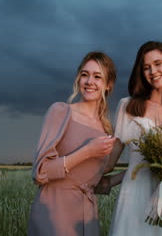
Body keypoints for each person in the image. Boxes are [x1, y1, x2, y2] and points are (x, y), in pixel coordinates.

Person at [105, 41, 162, 235]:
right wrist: (74, 173)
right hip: (133, 199)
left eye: (158, 63)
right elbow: (109, 162)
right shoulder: (127, 107)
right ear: (141, 73)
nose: (153, 71)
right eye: (146, 67)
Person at [28, 52, 119, 236]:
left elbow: (90, 184)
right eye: (85, 74)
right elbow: (40, 172)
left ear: (108, 84)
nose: (89, 81)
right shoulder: (61, 112)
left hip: (87, 217)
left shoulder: (106, 129)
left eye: (97, 76)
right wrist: (87, 151)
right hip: (54, 212)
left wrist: (135, 172)